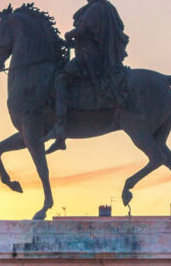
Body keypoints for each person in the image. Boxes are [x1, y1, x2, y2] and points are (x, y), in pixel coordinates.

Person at [46, 0, 129, 153]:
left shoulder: (97, 7)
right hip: (88, 53)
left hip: (89, 57)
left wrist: (69, 34)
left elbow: (82, 30)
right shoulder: (96, 7)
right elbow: (86, 37)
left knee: (62, 78)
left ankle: (60, 125)